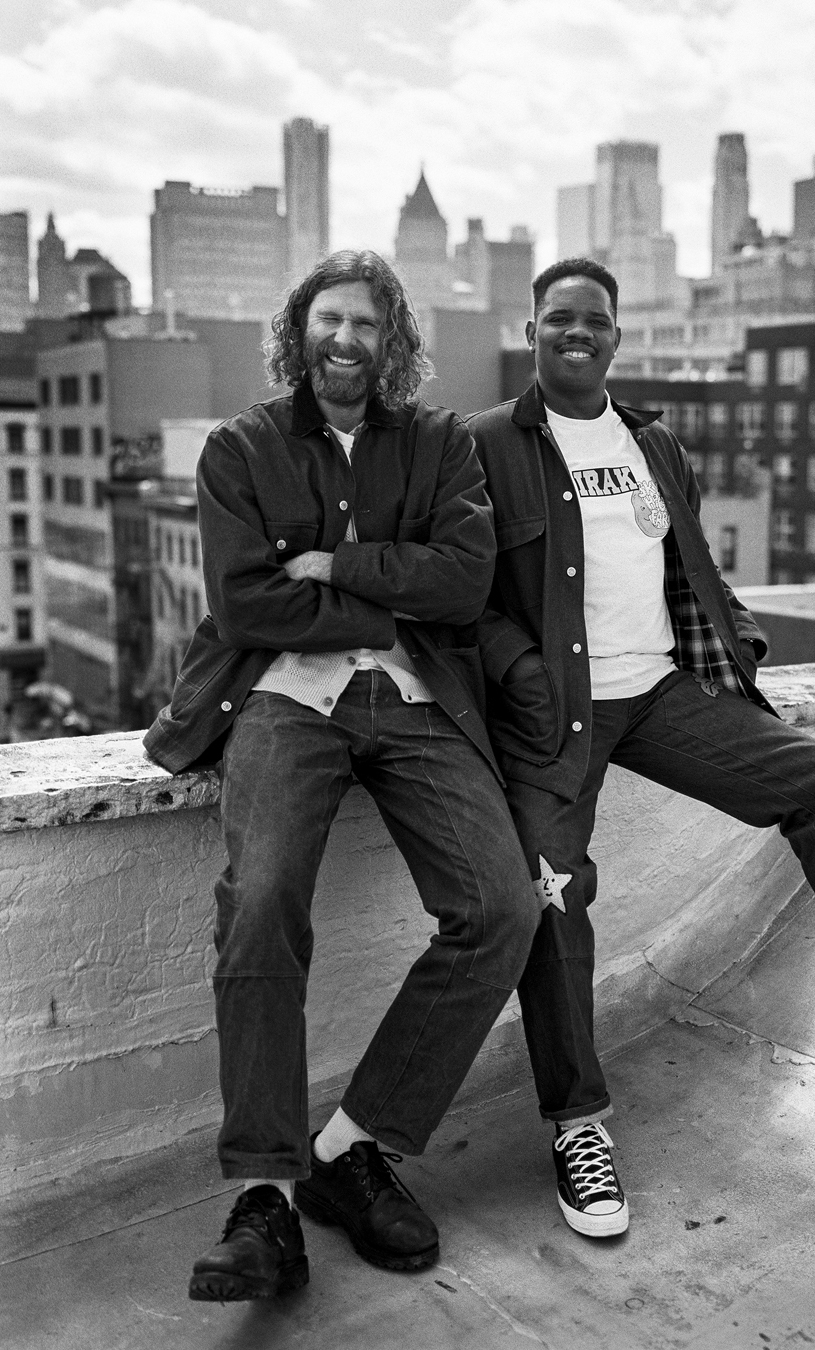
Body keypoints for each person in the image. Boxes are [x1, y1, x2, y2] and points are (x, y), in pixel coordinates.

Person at [466, 256, 815, 1241]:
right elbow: (459, 592)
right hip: (554, 714)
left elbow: (694, 565)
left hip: (663, 694)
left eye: (593, 320)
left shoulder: (652, 443)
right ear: (532, 332)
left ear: (615, 337)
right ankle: (577, 1123)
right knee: (554, 886)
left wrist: (738, 638)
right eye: (557, 319)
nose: (575, 334)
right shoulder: (481, 447)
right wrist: (519, 672)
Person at [144, 249, 538, 1302]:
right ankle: (265, 1197)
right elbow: (245, 609)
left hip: (414, 698)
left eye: (366, 324)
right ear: (297, 332)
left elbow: (465, 582)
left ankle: (351, 1152)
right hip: (279, 696)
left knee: (502, 906)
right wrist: (384, 601)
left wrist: (336, 564)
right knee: (262, 899)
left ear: (392, 341)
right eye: (327, 321)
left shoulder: (442, 443)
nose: (344, 341)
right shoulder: (241, 448)